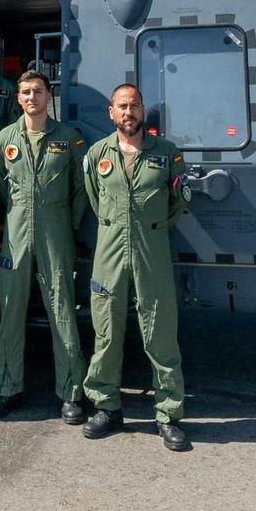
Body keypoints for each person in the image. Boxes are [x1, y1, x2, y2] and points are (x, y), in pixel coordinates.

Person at [80, 83, 191, 451]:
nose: (128, 113)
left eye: (134, 106)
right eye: (121, 107)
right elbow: (95, 200)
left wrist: (148, 227)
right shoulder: (97, 154)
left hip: (151, 248)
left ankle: (168, 414)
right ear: (111, 113)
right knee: (107, 331)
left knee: (159, 330)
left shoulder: (167, 153)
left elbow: (178, 203)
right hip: (110, 248)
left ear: (144, 111)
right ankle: (107, 407)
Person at [0, 70, 89, 424]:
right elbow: (1, 187)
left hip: (55, 234)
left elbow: (81, 189)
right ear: (18, 98)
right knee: (10, 312)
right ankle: (7, 389)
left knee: (61, 310)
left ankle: (71, 393)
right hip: (16, 235)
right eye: (26, 92)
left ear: (49, 96)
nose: (32, 97)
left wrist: (66, 225)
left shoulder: (69, 138)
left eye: (39, 91)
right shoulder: (4, 139)